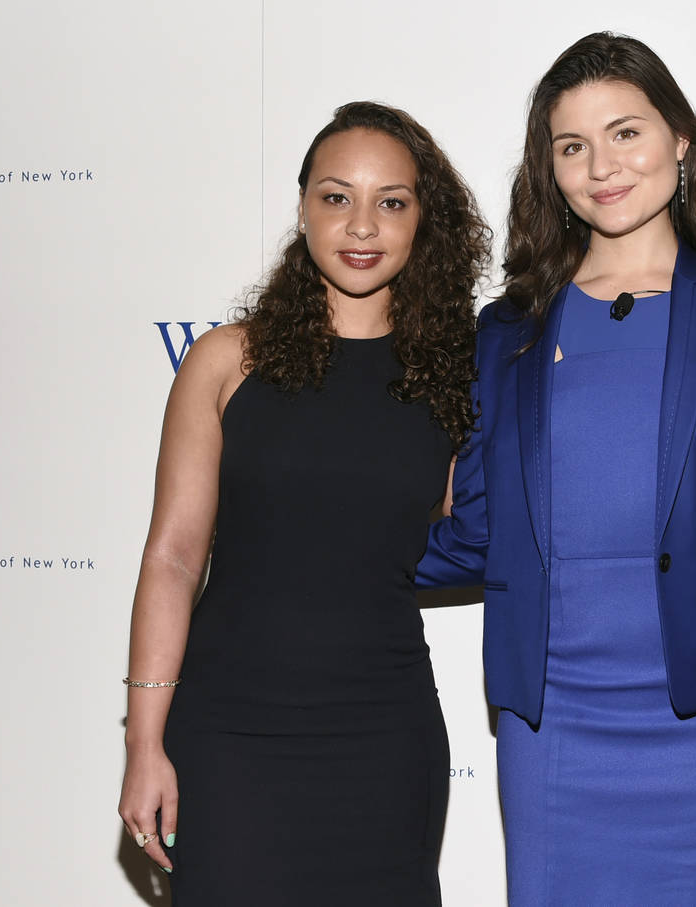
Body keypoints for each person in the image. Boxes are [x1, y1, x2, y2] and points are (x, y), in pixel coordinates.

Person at [416, 32, 696, 906]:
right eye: (573, 146)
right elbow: (476, 531)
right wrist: (316, 549)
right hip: (552, 714)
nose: (602, 166)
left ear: (682, 141)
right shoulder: (506, 333)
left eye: (626, 132)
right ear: (549, 169)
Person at [117, 101, 488, 905]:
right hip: (228, 734)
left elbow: (468, 529)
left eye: (392, 201)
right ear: (302, 207)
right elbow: (173, 558)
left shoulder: (456, 377)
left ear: (423, 220)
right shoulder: (226, 361)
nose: (362, 225)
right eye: (336, 196)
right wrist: (144, 741)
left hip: (383, 735)